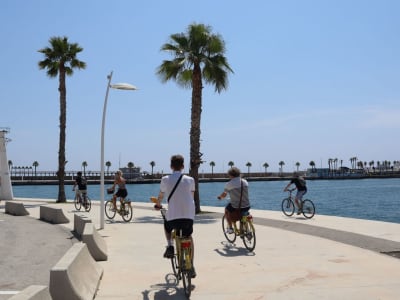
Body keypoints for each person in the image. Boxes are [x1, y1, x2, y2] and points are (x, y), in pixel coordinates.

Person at [154, 154, 196, 278]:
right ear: (183, 166)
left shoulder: (165, 179)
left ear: (171, 166)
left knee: (167, 226)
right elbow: (191, 197)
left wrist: (157, 204)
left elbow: (161, 196)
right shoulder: (190, 180)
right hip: (188, 216)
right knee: (189, 236)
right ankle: (191, 265)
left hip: (173, 217)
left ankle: (170, 245)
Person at [217, 167, 251, 234]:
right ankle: (246, 228)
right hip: (247, 205)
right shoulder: (244, 181)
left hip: (236, 206)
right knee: (244, 214)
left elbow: (224, 194)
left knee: (226, 210)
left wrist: (220, 197)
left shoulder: (229, 184)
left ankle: (230, 228)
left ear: (231, 175)